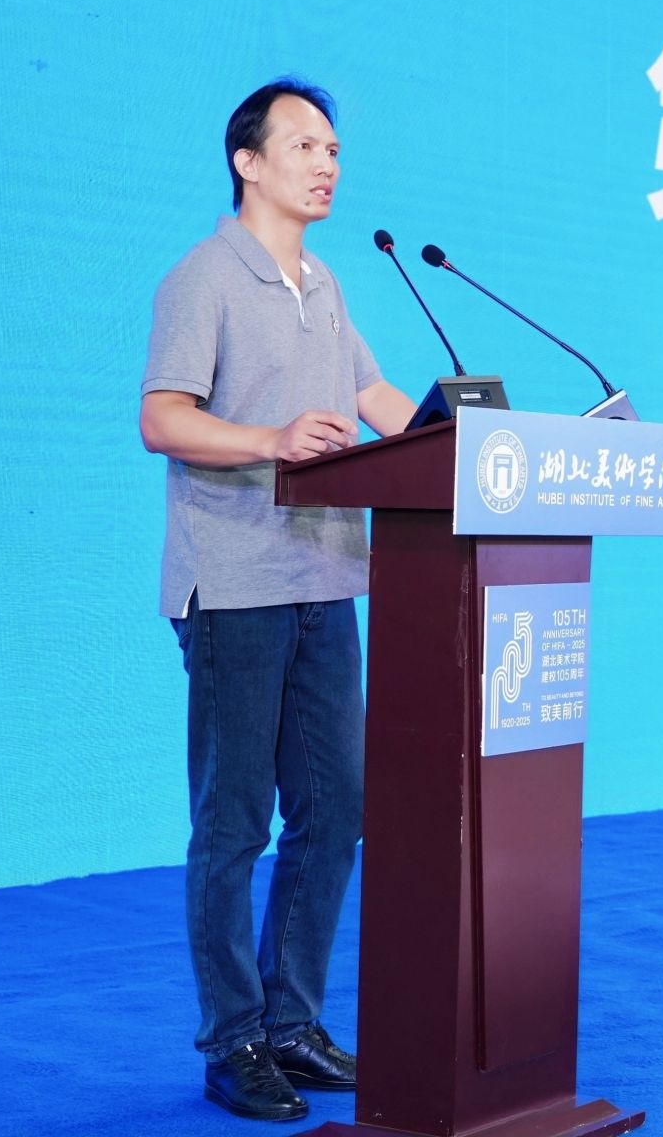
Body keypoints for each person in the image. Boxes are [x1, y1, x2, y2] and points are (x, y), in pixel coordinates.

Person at [139, 78, 418, 1121]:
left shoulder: (326, 283)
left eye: (334, 149)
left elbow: (373, 398)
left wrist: (477, 444)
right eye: (304, 145)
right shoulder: (203, 278)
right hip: (235, 583)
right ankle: (232, 1039)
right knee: (233, 823)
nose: (327, 164)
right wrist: (271, 441)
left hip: (325, 578)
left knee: (336, 808)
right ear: (246, 161)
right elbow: (162, 419)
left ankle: (292, 1022)